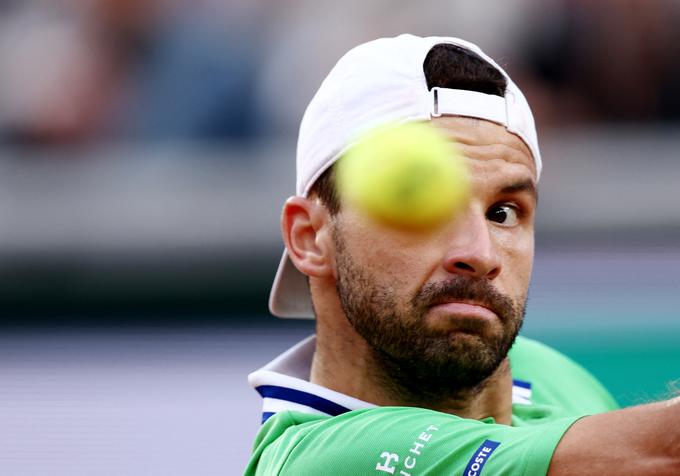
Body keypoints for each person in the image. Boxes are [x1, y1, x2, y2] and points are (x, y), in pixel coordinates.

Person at [245, 34, 679, 475]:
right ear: (309, 237)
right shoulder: (319, 463)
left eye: (503, 212)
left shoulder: (553, 375)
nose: (480, 253)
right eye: (420, 203)